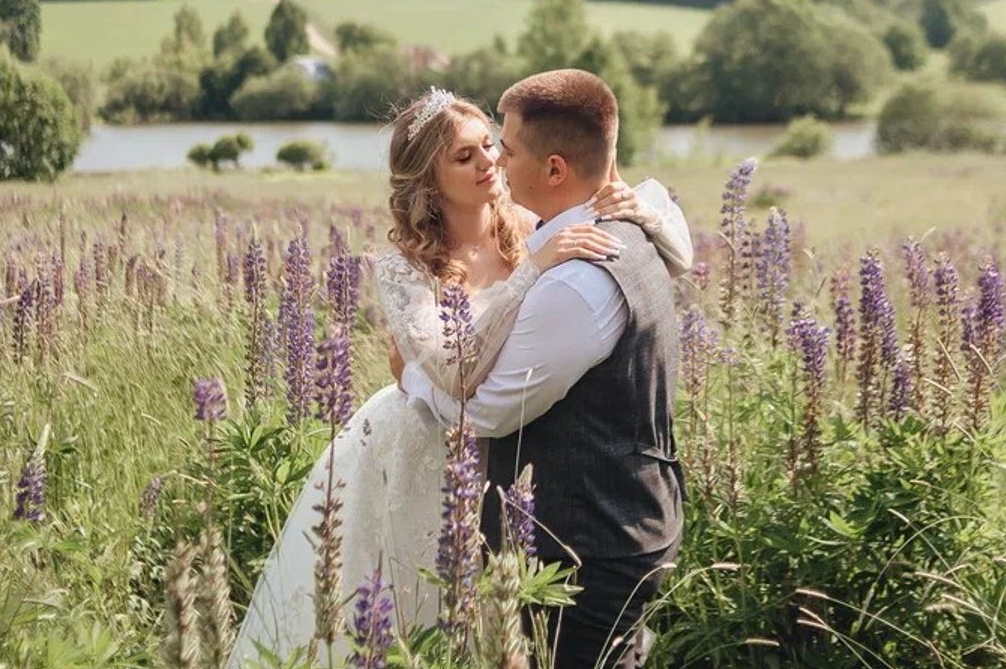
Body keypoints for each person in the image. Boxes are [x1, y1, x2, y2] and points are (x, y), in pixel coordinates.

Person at [227, 86, 690, 668]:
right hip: (421, 444)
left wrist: (640, 210)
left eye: (490, 147)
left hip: (503, 457)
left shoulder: (527, 220)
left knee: (491, 620)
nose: (489, 162)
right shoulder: (405, 267)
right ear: (427, 180)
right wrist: (529, 274)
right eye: (463, 157)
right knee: (408, 604)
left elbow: (669, 246)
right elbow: (454, 368)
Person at [402, 70, 684, 669]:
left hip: (590, 541)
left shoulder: (576, 280)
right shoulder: (622, 232)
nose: (495, 164)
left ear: (555, 170)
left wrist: (410, 376)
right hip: (624, 519)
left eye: (503, 148)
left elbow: (488, 412)